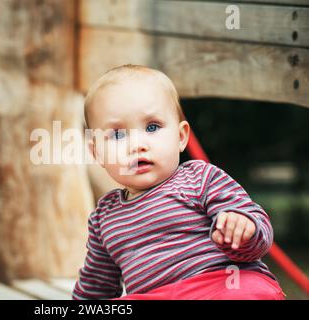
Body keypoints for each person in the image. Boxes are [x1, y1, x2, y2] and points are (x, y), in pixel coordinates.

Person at [72, 64, 285, 300]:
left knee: (249, 290)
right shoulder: (104, 216)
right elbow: (95, 285)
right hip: (157, 296)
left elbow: (258, 235)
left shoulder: (200, 178)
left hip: (219, 284)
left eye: (152, 127)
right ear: (97, 153)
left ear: (181, 137)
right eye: (118, 135)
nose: (137, 145)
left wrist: (243, 227)